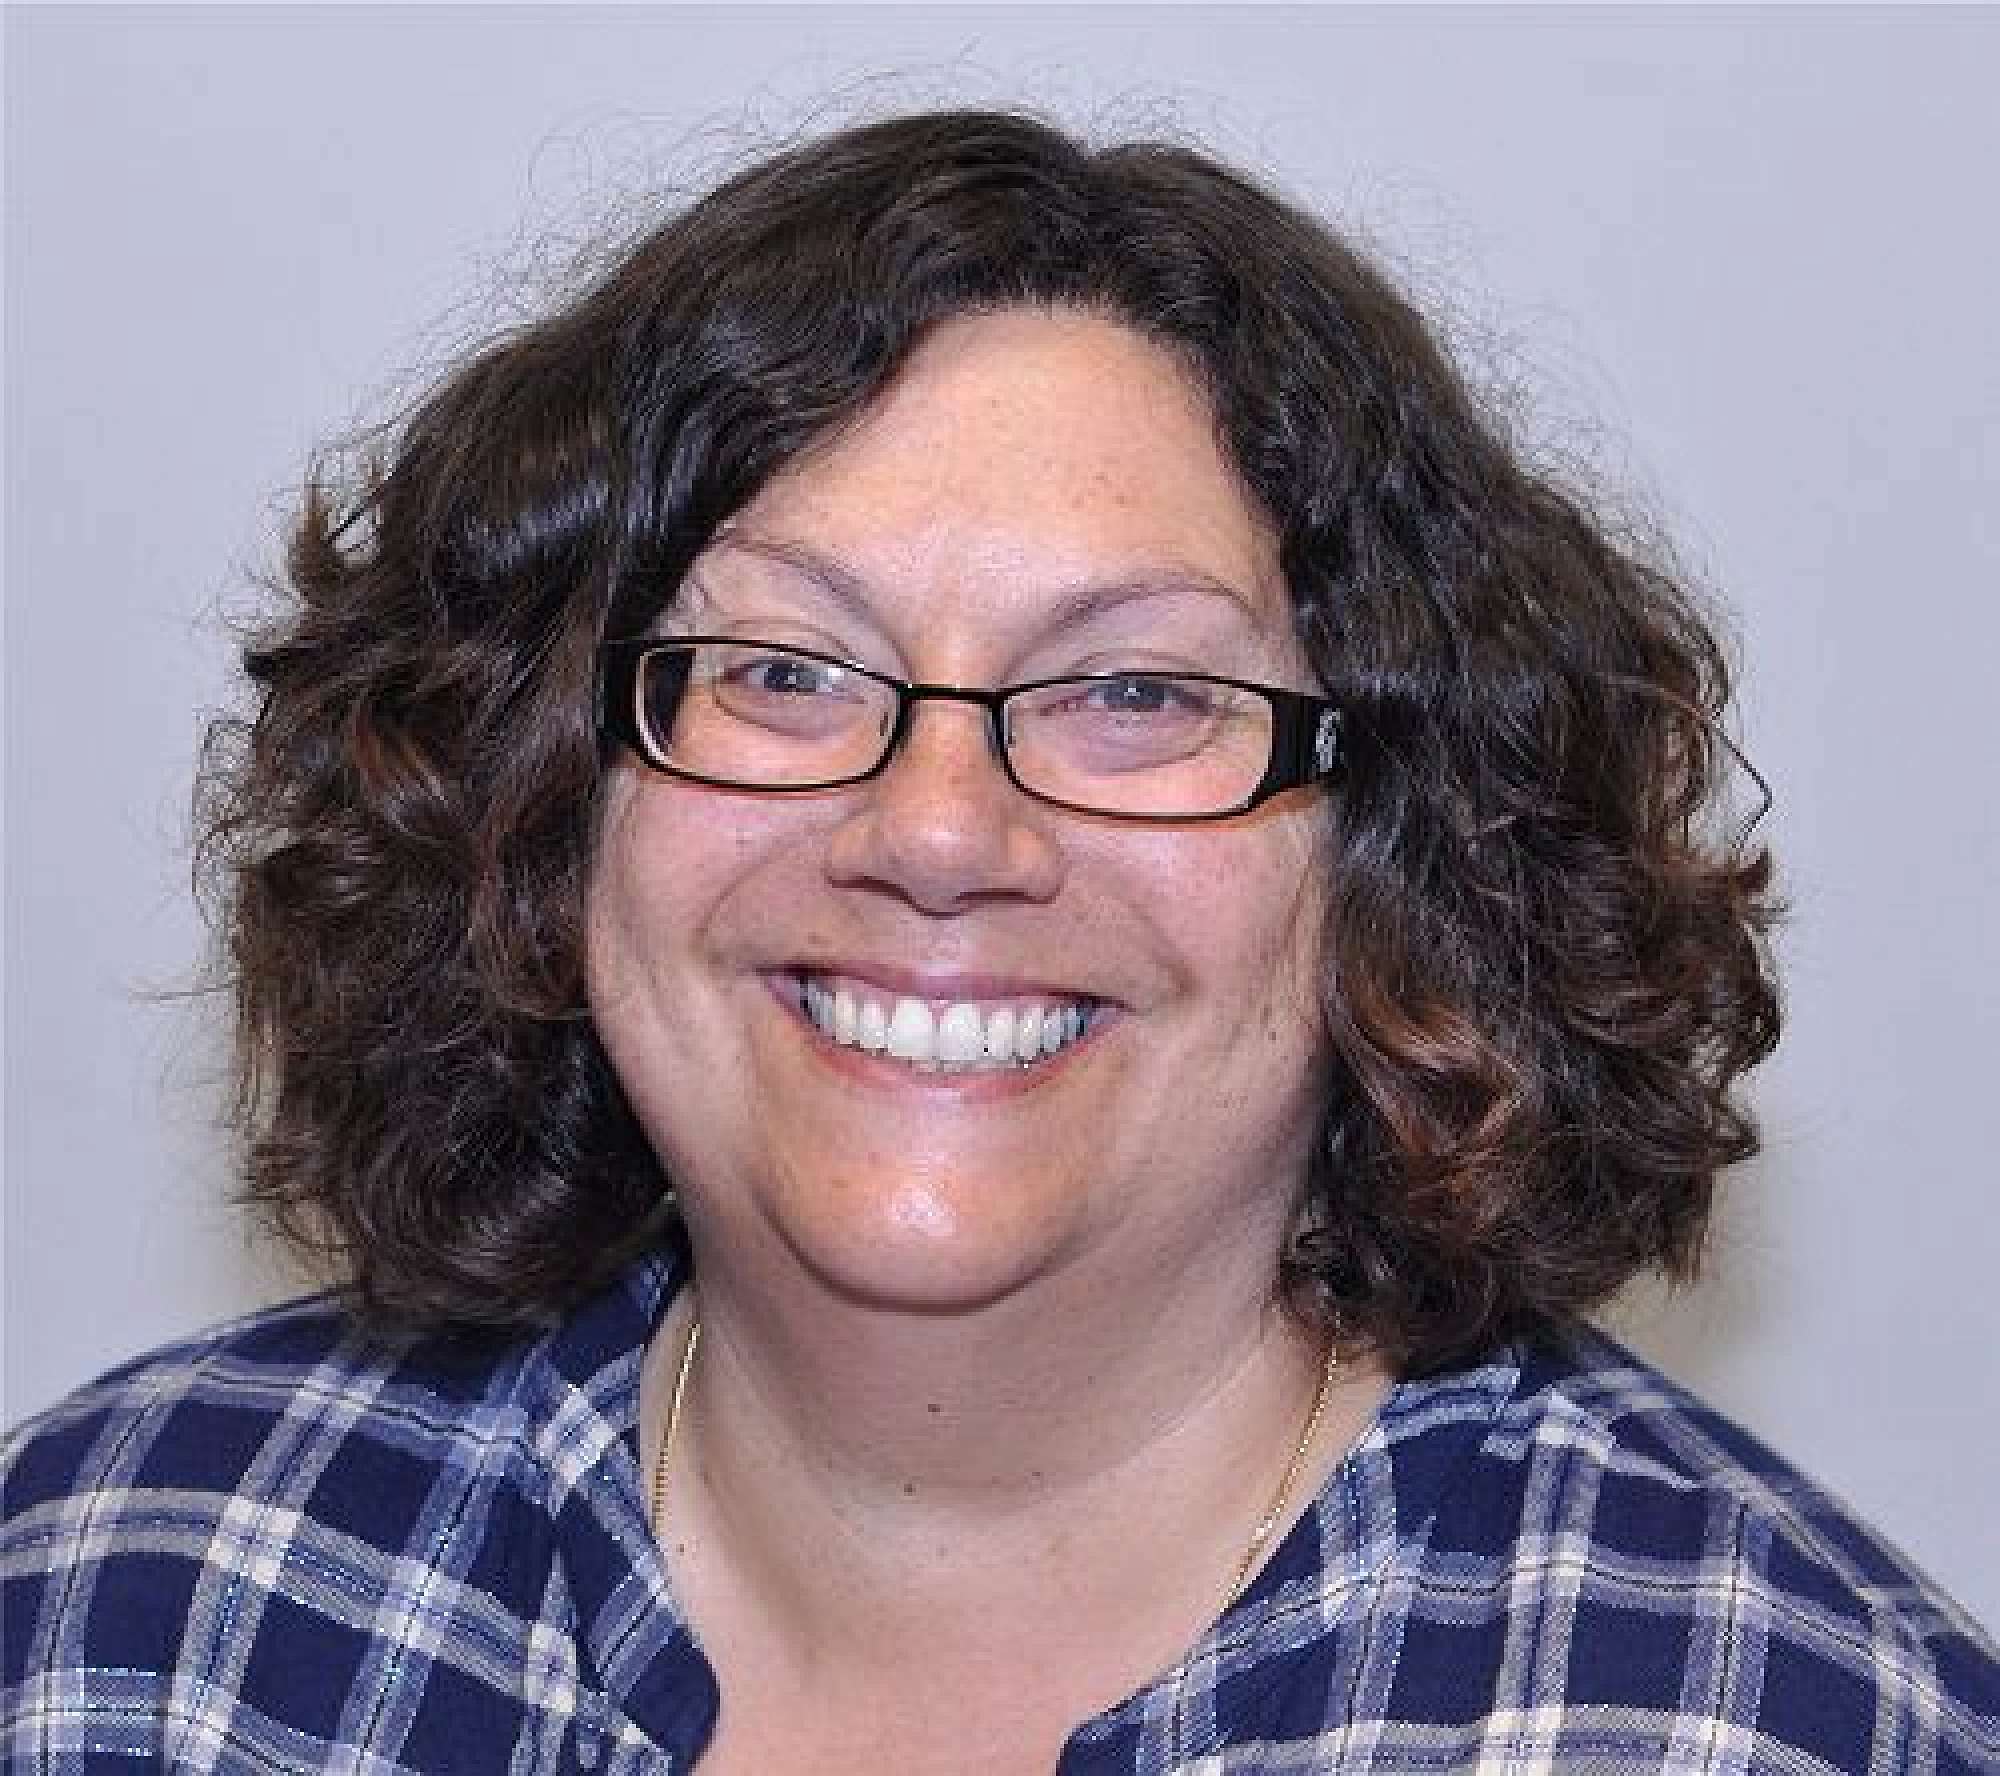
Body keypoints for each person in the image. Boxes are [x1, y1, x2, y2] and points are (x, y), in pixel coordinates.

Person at [2, 108, 1994, 1775]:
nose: (940, 832)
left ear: (1403, 851)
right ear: (543, 805)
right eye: (782, 670)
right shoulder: (122, 1608)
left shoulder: (1780, 1725)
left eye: (1135, 693)